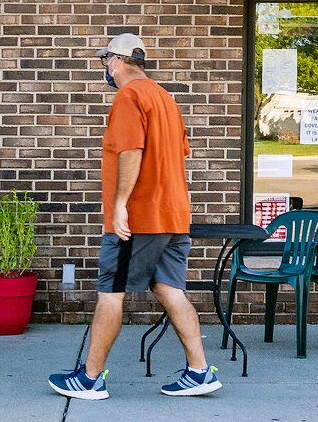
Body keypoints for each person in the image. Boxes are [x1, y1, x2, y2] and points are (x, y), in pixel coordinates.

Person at [48, 32, 221, 400]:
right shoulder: (164, 98)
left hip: (139, 218)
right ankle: (199, 371)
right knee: (170, 289)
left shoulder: (129, 96)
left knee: (111, 293)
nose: (104, 69)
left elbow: (131, 150)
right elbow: (179, 153)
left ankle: (90, 379)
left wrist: (122, 203)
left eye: (104, 61)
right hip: (173, 215)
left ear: (117, 61)